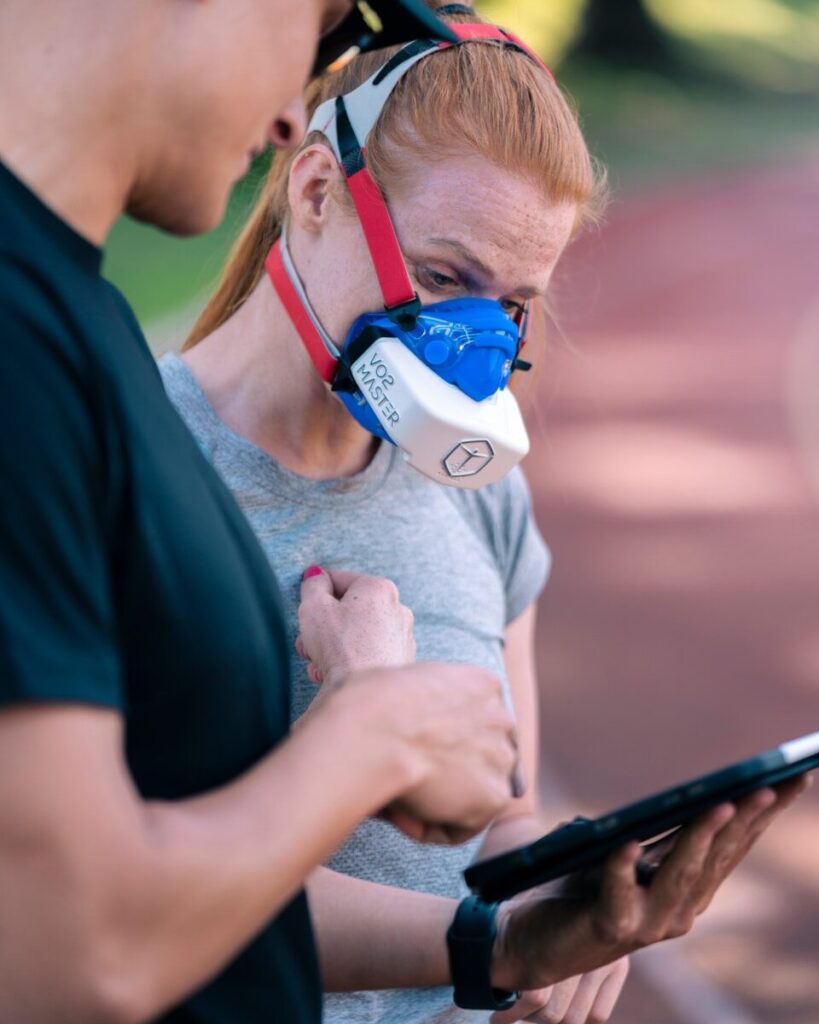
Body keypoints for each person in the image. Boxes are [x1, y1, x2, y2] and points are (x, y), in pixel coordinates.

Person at [160, 4, 811, 1023]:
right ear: (318, 191)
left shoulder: (477, 481)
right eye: (441, 277)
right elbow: (140, 901)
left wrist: (566, 899)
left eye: (510, 305)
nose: (469, 342)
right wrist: (492, 948)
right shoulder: (133, 463)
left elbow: (505, 812)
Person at [0, 3, 532, 1022]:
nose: (296, 115)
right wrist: (379, 730)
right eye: (316, 34)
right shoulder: (26, 348)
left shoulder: (76, 322)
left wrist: (503, 937)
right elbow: (70, 953)